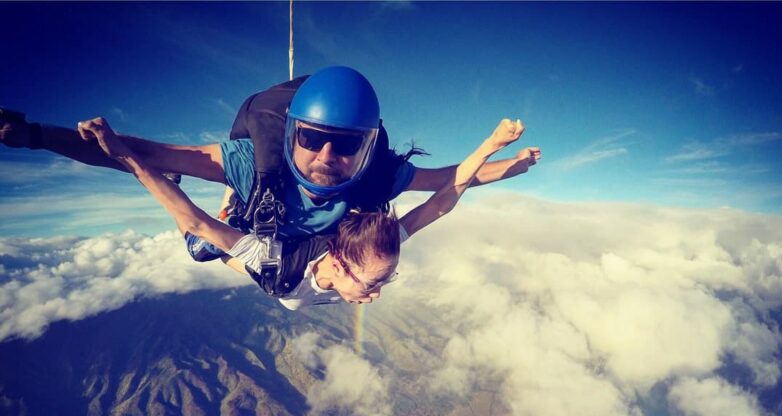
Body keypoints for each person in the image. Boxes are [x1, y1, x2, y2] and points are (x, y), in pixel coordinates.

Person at [0, 67, 540, 257]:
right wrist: (33, 135)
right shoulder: (251, 160)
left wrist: (506, 166)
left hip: (303, 245)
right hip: (260, 210)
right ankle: (236, 206)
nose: (328, 156)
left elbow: (449, 181)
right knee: (203, 248)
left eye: (346, 145)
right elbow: (139, 155)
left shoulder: (377, 174)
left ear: (367, 147)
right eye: (313, 138)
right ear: (291, 134)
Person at [76, 116, 538, 309]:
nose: (375, 294)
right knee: (201, 245)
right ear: (338, 262)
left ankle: (234, 209)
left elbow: (443, 200)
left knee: (220, 240)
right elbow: (195, 221)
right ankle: (231, 199)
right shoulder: (277, 263)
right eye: (374, 281)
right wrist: (126, 157)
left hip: (278, 266)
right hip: (266, 261)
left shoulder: (347, 252)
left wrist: (491, 148)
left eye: (380, 280)